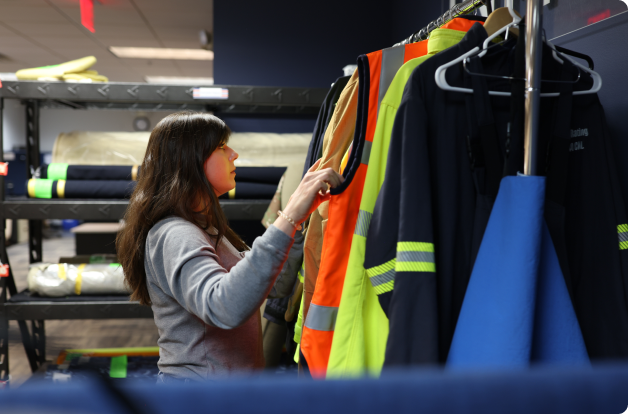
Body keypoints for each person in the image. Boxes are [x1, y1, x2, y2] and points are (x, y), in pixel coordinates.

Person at [117, 112, 343, 382]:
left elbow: (274, 285)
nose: (234, 154)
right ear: (188, 159)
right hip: (200, 396)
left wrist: (296, 224)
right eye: (222, 147)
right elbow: (224, 307)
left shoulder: (207, 229)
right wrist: (289, 216)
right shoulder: (176, 233)